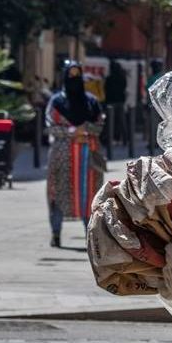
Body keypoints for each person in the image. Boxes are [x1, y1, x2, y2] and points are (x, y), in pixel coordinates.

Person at [45, 60, 104, 247]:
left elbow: (99, 124)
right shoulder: (56, 102)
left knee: (90, 195)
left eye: (77, 75)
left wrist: (84, 130)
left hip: (88, 157)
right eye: (70, 75)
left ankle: (91, 235)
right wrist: (72, 132)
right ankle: (56, 233)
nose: (74, 79)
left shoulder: (91, 102)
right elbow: (51, 126)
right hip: (63, 158)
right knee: (58, 193)